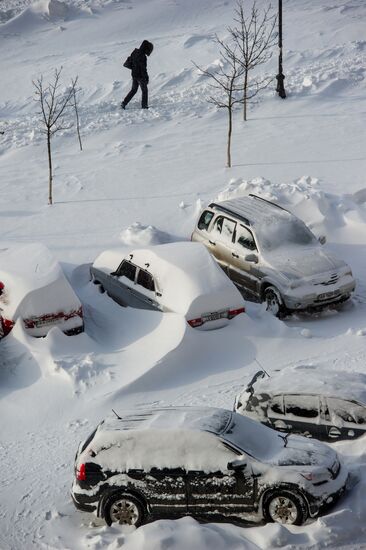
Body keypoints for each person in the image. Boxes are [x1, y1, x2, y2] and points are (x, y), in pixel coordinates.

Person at [121, 40, 154, 110]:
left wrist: (134, 69)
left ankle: (124, 103)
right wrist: (146, 78)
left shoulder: (135, 52)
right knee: (145, 91)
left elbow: (130, 62)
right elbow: (143, 69)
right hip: (140, 76)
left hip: (134, 75)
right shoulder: (143, 56)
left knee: (133, 90)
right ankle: (144, 106)